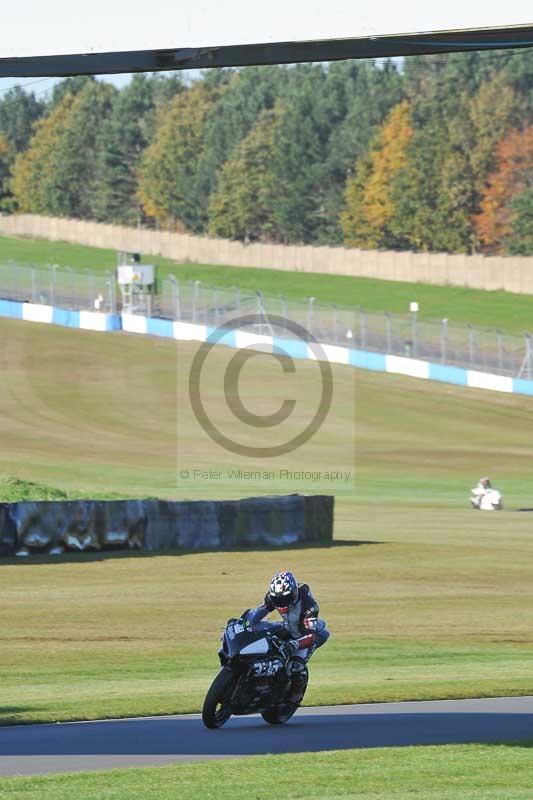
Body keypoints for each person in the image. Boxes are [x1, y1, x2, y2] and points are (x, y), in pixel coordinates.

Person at [248, 570, 329, 703]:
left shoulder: (309, 606)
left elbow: (311, 635)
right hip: (288, 627)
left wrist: (295, 644)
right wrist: (246, 623)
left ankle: (296, 693)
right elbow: (259, 613)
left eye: (285, 598)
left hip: (305, 637)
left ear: (294, 592)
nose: (281, 602)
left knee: (295, 666)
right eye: (277, 599)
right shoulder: (273, 597)